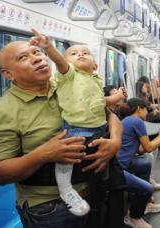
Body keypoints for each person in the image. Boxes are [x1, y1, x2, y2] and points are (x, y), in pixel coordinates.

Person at [0, 38, 121, 227]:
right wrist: (44, 153)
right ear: (8, 74)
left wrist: (115, 141)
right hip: (49, 207)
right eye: (23, 57)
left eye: (37, 52)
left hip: (94, 190)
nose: (37, 59)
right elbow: (0, 173)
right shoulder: (2, 112)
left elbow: (109, 116)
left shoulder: (67, 85)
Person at [28, 29, 124, 216]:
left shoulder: (95, 80)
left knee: (99, 165)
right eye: (73, 53)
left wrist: (118, 97)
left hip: (98, 129)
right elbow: (61, 62)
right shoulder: (69, 75)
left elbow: (100, 102)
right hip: (76, 128)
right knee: (67, 160)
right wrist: (49, 47)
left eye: (85, 53)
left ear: (95, 66)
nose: (80, 54)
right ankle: (66, 190)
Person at [118, 98, 160, 228]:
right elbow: (148, 148)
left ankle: (145, 204)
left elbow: (140, 150)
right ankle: (133, 217)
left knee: (145, 163)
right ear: (138, 109)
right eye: (146, 109)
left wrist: (159, 137)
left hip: (124, 161)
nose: (147, 113)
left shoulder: (128, 121)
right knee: (147, 188)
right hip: (117, 168)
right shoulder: (136, 121)